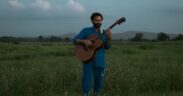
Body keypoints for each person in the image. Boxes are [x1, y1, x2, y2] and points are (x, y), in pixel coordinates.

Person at [73, 12, 112, 96]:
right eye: (96, 20)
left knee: (99, 84)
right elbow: (75, 40)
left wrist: (109, 38)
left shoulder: (104, 33)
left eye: (100, 20)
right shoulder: (86, 30)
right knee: (87, 83)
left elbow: (107, 47)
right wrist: (84, 41)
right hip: (88, 61)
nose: (98, 22)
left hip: (100, 62)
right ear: (92, 21)